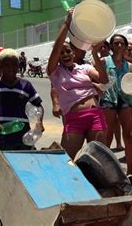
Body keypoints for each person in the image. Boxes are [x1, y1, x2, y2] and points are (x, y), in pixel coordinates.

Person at [47, 11, 109, 159]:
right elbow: (57, 46)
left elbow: (104, 80)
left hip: (95, 115)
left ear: (74, 53)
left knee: (98, 160)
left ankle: (93, 183)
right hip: (74, 118)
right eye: (61, 54)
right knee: (67, 160)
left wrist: (95, 54)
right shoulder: (54, 72)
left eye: (68, 51)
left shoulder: (84, 68)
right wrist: (67, 23)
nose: (65, 55)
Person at [100, 34, 132, 175]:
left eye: (122, 43)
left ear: (126, 46)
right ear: (111, 46)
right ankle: (103, 169)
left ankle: (130, 170)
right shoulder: (104, 61)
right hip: (109, 99)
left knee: (128, 134)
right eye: (116, 43)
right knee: (107, 135)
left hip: (125, 100)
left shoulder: (131, 67)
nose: (119, 46)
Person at [0, 48, 44, 150]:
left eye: (14, 64)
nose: (11, 68)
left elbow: (38, 106)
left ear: (18, 66)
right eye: (7, 65)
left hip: (22, 135)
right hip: (0, 135)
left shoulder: (26, 85)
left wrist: (39, 123)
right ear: (0, 67)